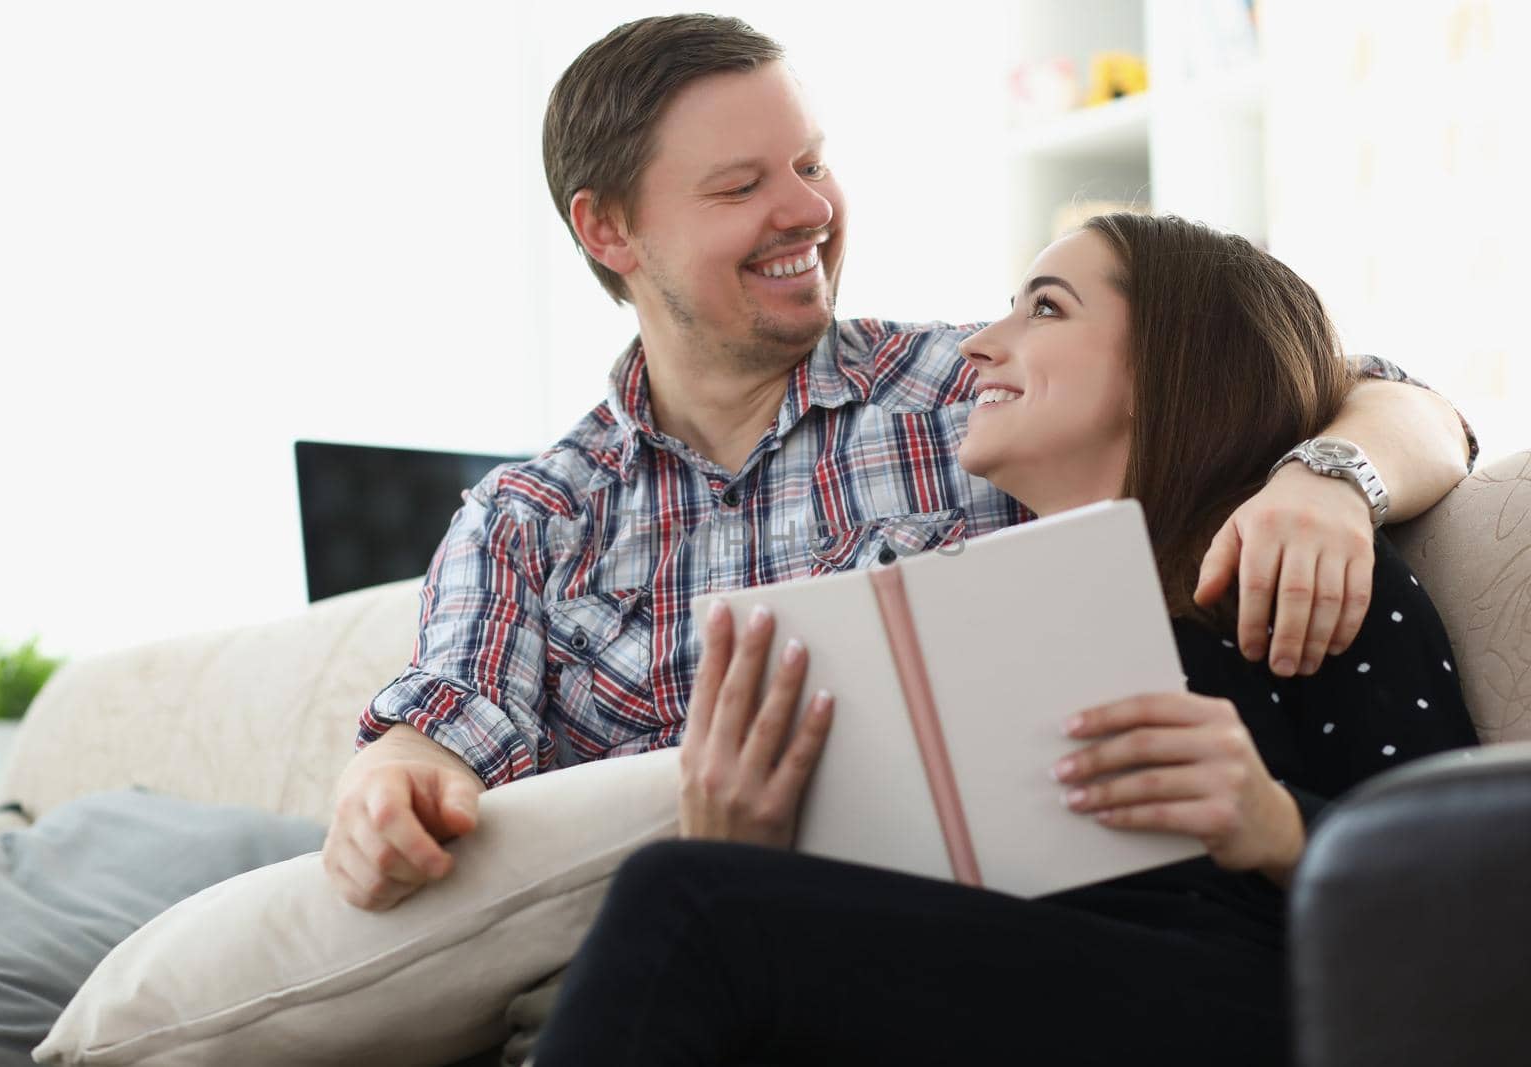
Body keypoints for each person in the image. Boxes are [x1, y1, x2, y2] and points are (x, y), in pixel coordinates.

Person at [321, 14, 1473, 912]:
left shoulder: (981, 391)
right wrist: (387, 784)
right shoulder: (525, 518)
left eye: (811, 162)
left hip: (963, 936)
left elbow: (1321, 379)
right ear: (608, 231)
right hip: (662, 951)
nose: (807, 209)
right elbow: (444, 723)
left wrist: (1327, 475)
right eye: (740, 186)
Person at [528, 213, 1482, 1065]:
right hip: (1020, 992)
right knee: (705, 899)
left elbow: (1478, 897)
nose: (981, 345)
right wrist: (758, 856)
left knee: (684, 901)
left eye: (1047, 310)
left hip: (1243, 993)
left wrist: (1276, 824)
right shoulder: (995, 596)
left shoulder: (1303, 565)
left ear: (1178, 362)